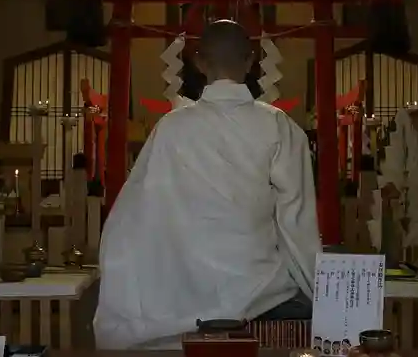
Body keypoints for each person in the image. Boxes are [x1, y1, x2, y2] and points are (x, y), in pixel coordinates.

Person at [94, 20, 322, 349]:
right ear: (251, 60)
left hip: (182, 293)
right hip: (260, 294)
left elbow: (134, 220)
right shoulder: (279, 127)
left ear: (199, 62)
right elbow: (295, 225)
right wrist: (324, 292)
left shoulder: (170, 129)